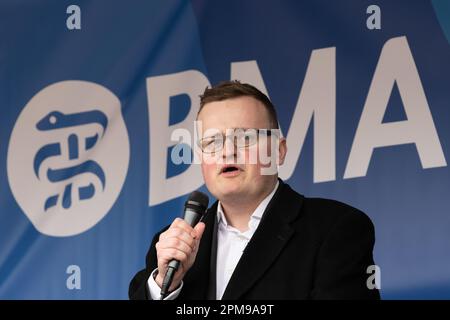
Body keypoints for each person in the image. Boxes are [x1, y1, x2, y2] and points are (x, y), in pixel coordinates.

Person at [129, 81, 380, 300]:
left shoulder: (335, 228)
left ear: (278, 151)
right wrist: (165, 285)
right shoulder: (173, 245)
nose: (228, 151)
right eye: (212, 142)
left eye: (245, 138)